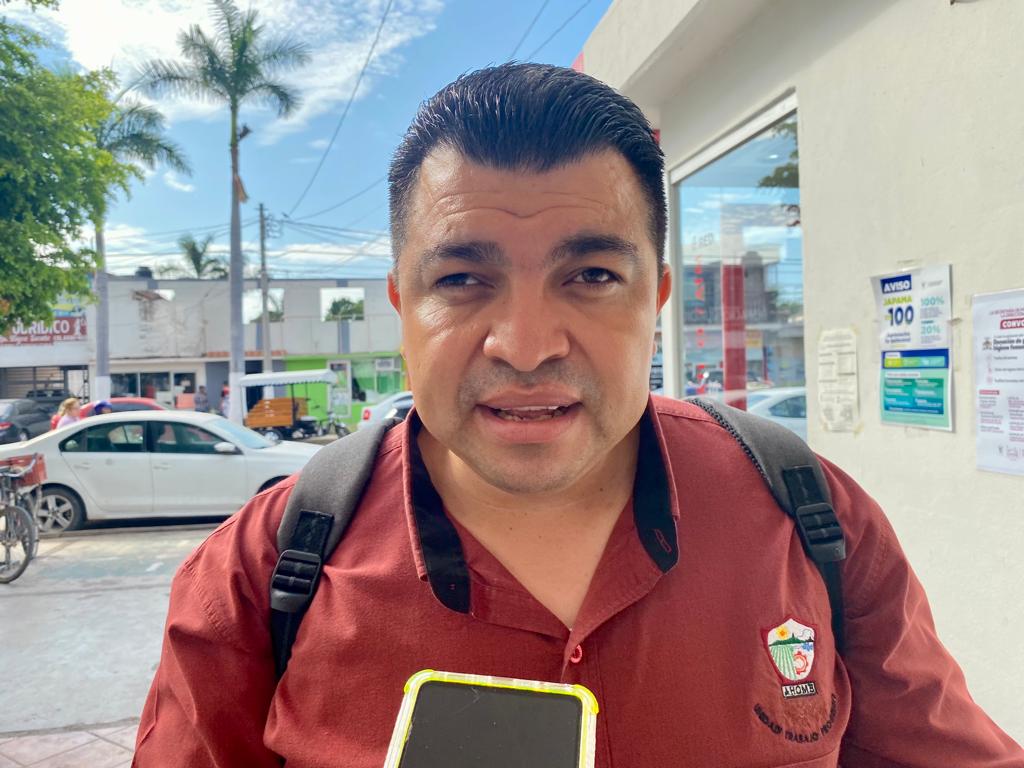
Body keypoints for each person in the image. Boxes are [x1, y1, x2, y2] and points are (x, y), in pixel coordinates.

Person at [134, 64, 1023, 767]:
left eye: (592, 276)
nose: (525, 346)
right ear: (403, 304)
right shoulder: (260, 575)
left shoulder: (813, 521)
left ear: (656, 299)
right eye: (462, 279)